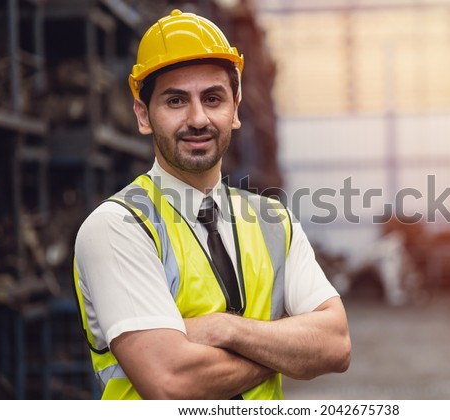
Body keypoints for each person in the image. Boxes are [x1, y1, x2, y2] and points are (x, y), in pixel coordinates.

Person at [72, 9, 351, 400]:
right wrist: (285, 347)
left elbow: (335, 345)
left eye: (213, 98)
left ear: (235, 110)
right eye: (175, 101)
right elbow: (171, 382)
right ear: (143, 115)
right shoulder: (119, 228)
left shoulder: (273, 221)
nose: (198, 118)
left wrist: (227, 329)